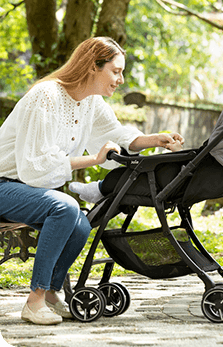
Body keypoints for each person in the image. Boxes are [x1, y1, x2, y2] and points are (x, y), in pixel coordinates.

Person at [0, 36, 184, 325]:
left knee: (81, 224)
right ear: (92, 67)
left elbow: (117, 134)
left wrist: (155, 140)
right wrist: (93, 160)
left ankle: (50, 294)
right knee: (66, 208)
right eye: (116, 71)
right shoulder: (45, 96)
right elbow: (33, 166)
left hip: (25, 189)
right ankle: (33, 301)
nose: (121, 79)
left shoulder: (89, 102)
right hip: (4, 185)